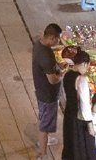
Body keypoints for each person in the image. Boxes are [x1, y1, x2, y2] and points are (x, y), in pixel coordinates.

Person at [29, 24, 64, 158]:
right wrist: (62, 74)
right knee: (45, 124)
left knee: (44, 117)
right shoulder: (46, 56)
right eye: (57, 39)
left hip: (40, 90)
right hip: (48, 95)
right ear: (51, 38)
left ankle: (45, 140)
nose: (58, 42)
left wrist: (57, 65)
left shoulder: (39, 44)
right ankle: (43, 153)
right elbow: (52, 80)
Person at [61, 49, 96, 160]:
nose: (86, 69)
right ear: (84, 63)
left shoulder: (67, 75)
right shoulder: (81, 79)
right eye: (87, 66)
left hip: (69, 113)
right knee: (82, 147)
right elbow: (85, 103)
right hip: (79, 118)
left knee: (70, 144)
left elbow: (63, 95)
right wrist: (90, 123)